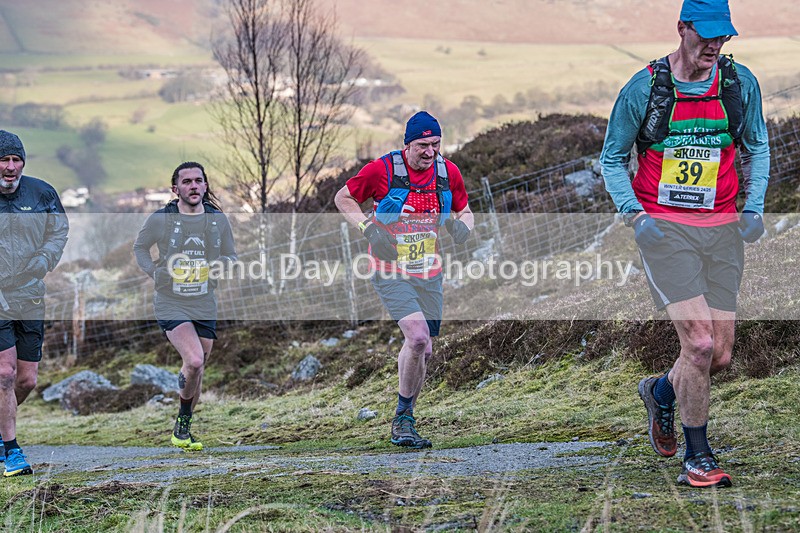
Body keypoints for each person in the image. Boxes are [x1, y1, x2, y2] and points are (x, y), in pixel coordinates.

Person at [600, 0, 770, 488]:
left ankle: (659, 391)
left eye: (724, 36)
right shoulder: (646, 88)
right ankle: (698, 457)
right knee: (696, 344)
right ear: (682, 28)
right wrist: (635, 216)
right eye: (707, 34)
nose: (715, 44)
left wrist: (754, 206)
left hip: (722, 230)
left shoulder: (739, 85)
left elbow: (757, 146)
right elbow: (612, 157)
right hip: (665, 229)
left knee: (718, 355)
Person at [335, 111, 474, 449]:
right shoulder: (383, 170)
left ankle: (407, 417)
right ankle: (401, 421)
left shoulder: (447, 171)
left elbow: (465, 210)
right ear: (408, 144)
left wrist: (462, 228)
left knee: (424, 349)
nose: (430, 152)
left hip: (429, 272)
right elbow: (343, 197)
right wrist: (368, 229)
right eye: (423, 145)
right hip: (389, 268)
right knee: (416, 338)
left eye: (436, 144)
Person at [134, 162, 236, 451]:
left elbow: (231, 255)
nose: (193, 186)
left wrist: (217, 266)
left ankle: (185, 428)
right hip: (171, 300)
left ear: (205, 186)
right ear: (175, 188)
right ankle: (181, 424)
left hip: (204, 301)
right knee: (193, 360)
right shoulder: (161, 219)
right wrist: (154, 272)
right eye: (187, 181)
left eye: (198, 180)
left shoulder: (217, 219)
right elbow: (140, 248)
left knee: (199, 367)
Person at [0, 130, 69, 476]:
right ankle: (12, 451)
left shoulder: (41, 193)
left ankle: (1, 431)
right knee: (5, 373)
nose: (11, 167)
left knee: (26, 380)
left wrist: (45, 259)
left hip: (29, 294)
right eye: (4, 159)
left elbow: (58, 231)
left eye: (16, 159)